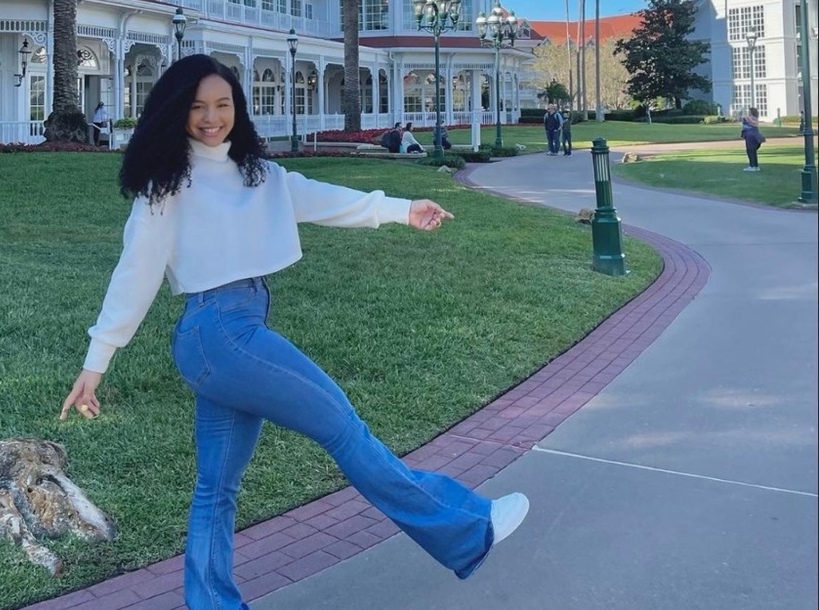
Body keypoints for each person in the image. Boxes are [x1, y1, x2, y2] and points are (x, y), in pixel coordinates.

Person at [60, 55, 529, 610]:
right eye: (197, 107)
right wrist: (97, 361)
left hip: (228, 339)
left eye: (222, 105)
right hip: (219, 334)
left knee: (216, 488)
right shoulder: (167, 187)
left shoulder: (258, 171)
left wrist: (403, 209)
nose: (211, 118)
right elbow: (134, 274)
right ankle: (467, 528)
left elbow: (321, 199)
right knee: (345, 431)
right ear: (174, 112)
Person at [740, 106, 765, 172]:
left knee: (750, 151)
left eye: (749, 111)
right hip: (754, 136)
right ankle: (755, 166)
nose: (748, 112)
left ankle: (752, 166)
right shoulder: (755, 118)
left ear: (751, 112)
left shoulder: (749, 118)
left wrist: (741, 113)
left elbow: (742, 118)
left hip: (750, 136)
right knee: (753, 152)